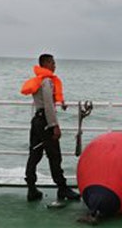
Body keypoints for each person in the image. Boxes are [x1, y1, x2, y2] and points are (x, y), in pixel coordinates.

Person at [20, 54, 80, 202]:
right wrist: (55, 126)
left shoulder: (39, 80)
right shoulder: (46, 81)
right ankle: (62, 188)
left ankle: (31, 188)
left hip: (36, 121)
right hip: (45, 122)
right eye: (52, 63)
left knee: (34, 154)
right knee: (54, 155)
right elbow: (48, 105)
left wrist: (61, 102)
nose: (54, 65)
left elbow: (44, 101)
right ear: (45, 63)